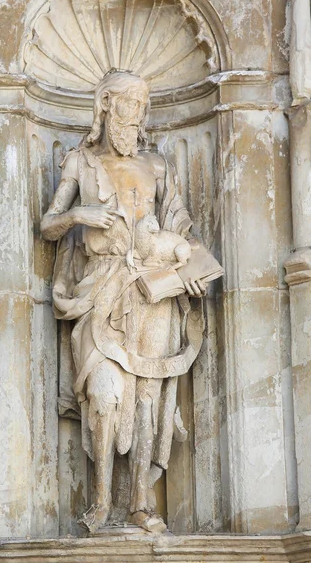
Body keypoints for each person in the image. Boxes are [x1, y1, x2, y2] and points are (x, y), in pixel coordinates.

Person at [41, 69, 206, 533]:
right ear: (106, 106)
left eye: (140, 107)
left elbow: (181, 227)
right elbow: (48, 225)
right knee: (105, 393)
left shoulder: (157, 165)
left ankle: (138, 501)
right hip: (101, 289)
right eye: (127, 105)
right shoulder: (80, 162)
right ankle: (98, 501)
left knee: (148, 398)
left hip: (153, 292)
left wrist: (191, 272)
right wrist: (78, 213)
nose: (134, 117)